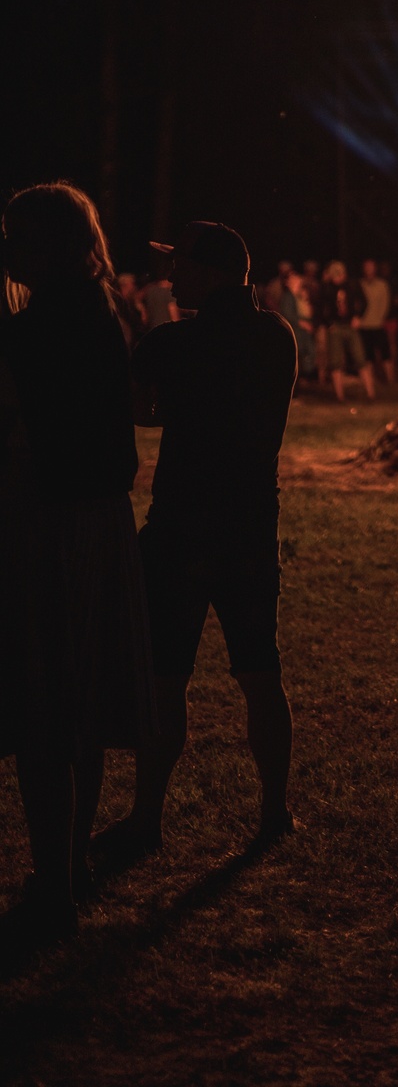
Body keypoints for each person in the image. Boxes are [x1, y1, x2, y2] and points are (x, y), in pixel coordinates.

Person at [99, 219, 298, 861]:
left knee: (165, 679)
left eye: (180, 264)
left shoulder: (171, 343)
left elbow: (135, 409)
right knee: (260, 672)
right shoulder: (277, 336)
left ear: (209, 274)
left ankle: (147, 817)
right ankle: (274, 812)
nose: (169, 275)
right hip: (249, 526)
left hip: (181, 525)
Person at [0, 183, 153, 946]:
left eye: (17, 235)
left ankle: (55, 884)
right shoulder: (107, 311)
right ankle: (76, 862)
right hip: (101, 518)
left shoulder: (36, 330)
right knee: (83, 699)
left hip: (48, 522)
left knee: (43, 706)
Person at [317, 260, 375, 403]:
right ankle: (340, 397)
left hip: (350, 326)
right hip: (335, 327)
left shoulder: (352, 285)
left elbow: (364, 302)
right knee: (335, 362)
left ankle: (371, 395)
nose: (336, 279)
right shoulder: (327, 288)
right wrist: (328, 323)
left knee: (360, 359)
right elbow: (319, 307)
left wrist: (358, 316)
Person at [356, 258, 394, 384]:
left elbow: (385, 303)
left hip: (378, 324)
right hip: (364, 325)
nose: (369, 270)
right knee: (368, 355)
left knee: (385, 353)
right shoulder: (360, 284)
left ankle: (390, 379)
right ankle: (371, 380)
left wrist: (381, 318)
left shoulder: (382, 285)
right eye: (366, 267)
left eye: (371, 267)